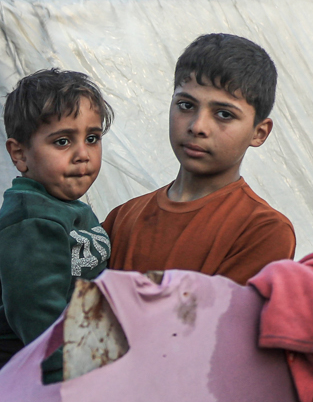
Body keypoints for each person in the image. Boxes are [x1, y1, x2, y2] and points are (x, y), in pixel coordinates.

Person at [103, 33, 295, 283]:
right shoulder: (123, 218)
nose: (197, 126)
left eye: (224, 114)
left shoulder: (263, 230)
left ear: (259, 133)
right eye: (186, 105)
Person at [0, 68, 113, 383]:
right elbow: (37, 318)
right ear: (20, 154)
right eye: (62, 141)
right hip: (30, 369)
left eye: (92, 138)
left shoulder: (62, 205)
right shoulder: (31, 222)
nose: (83, 154)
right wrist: (70, 382)